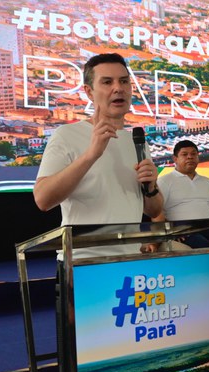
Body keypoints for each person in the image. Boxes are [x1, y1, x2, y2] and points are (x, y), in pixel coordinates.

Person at [34, 53, 163, 259]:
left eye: (123, 81)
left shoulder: (137, 142)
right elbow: (43, 199)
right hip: (82, 260)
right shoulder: (66, 135)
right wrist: (91, 155)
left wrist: (151, 187)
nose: (118, 88)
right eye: (107, 82)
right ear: (89, 92)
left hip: (130, 258)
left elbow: (154, 210)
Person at [153, 140, 209, 248]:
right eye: (184, 154)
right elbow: (156, 212)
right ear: (175, 159)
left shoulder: (208, 182)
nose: (190, 157)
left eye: (193, 154)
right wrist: (172, 230)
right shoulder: (164, 181)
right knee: (203, 244)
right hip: (183, 230)